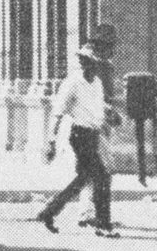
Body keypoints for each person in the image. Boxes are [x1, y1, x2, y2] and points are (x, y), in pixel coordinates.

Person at [37, 43, 117, 236]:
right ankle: (103, 224)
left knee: (82, 179)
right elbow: (58, 113)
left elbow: (96, 106)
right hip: (80, 136)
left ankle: (48, 212)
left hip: (93, 135)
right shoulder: (72, 83)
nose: (87, 65)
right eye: (84, 61)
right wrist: (51, 141)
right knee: (102, 177)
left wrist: (110, 113)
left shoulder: (97, 83)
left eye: (91, 62)